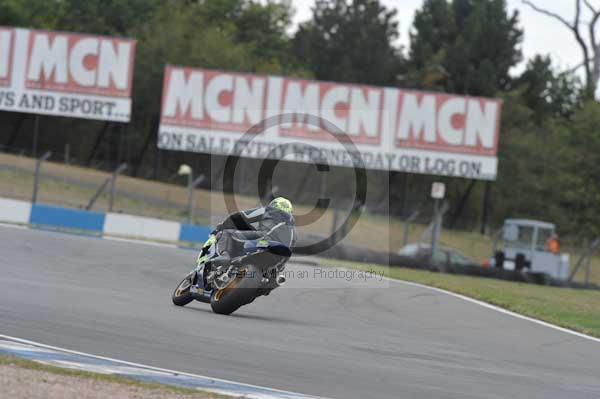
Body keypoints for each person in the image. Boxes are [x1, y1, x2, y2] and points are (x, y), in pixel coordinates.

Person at [199, 197, 295, 267]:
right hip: (278, 256)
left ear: (274, 205)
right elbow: (289, 250)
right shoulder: (293, 228)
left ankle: (225, 255)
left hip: (264, 238)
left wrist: (221, 227)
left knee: (227, 233)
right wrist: (279, 268)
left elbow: (241, 217)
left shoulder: (269, 210)